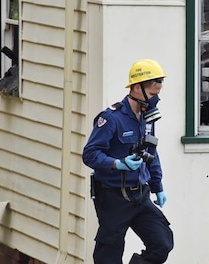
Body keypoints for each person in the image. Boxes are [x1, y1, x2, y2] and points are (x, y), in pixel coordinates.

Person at [82, 59, 173, 264]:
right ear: (136, 88)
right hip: (113, 196)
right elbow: (90, 154)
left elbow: (152, 154)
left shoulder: (147, 118)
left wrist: (158, 187)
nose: (155, 99)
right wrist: (117, 163)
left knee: (162, 243)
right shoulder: (111, 118)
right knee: (109, 255)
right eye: (152, 94)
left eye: (157, 94)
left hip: (140, 195)